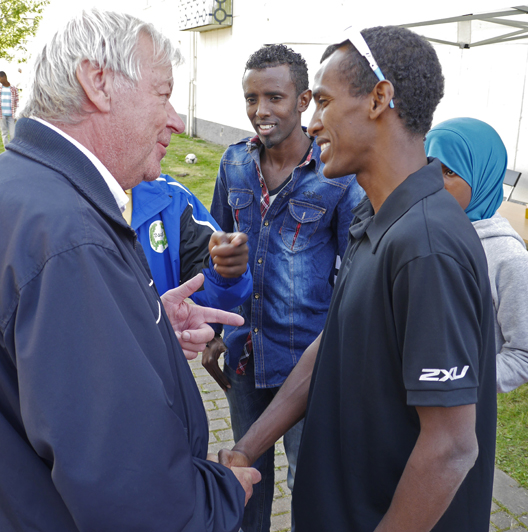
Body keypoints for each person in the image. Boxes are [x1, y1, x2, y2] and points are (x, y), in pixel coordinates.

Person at [0, 10, 260, 532]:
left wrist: (144, 324)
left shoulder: (9, 190)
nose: (175, 119)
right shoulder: (66, 234)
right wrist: (222, 496)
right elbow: (133, 496)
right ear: (98, 82)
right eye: (163, 94)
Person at [219, 26, 497, 532]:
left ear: (379, 98)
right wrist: (245, 450)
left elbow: (452, 448)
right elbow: (330, 346)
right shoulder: (376, 217)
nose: (315, 121)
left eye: (322, 101)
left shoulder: (427, 244)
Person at [207, 44, 364, 531]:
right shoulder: (233, 164)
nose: (260, 111)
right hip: (243, 355)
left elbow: (353, 276)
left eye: (274, 96)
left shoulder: (335, 178)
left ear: (303, 101)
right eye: (251, 98)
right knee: (244, 477)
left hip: (306, 366)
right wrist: (214, 329)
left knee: (308, 483)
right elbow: (213, 254)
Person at [425, 117, 528, 393]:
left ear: (482, 176)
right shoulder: (415, 233)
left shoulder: (507, 256)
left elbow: (522, 354)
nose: (433, 181)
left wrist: (458, 384)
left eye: (449, 172)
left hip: (461, 415)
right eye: (427, 167)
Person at [126, 173, 252, 311]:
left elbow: (218, 295)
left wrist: (225, 272)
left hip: (154, 332)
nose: (167, 149)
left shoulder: (172, 196)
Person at [0, 71, 19, 147]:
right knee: (4, 133)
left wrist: (17, 113)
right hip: (1, 114)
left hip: (11, 114)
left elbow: (17, 101)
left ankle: (13, 148)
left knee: (12, 134)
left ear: (4, 77)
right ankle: (6, 149)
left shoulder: (13, 88)